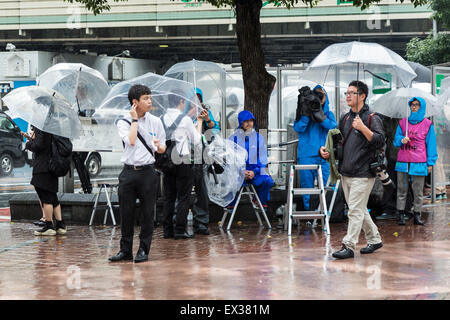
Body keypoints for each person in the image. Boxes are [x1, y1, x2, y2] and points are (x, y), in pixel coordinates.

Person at [319, 80, 384, 259]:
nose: (347, 95)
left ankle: (348, 245)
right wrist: (326, 151)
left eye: (352, 93)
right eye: (347, 93)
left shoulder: (372, 118)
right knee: (359, 209)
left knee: (354, 210)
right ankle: (375, 239)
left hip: (363, 173)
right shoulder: (345, 118)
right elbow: (339, 141)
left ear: (362, 96)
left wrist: (363, 128)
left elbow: (380, 140)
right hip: (346, 171)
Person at [109, 84, 166, 263]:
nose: (150, 101)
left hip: (148, 173)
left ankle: (143, 249)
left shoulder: (156, 121)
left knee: (148, 213)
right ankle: (125, 250)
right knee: (126, 214)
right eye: (145, 98)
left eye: (150, 97)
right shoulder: (123, 121)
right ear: (135, 102)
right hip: (128, 172)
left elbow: (163, 148)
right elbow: (131, 141)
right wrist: (134, 120)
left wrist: (158, 146)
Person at [162, 90, 204, 239]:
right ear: (180, 102)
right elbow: (197, 140)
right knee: (183, 197)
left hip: (166, 162)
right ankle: (180, 229)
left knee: (169, 197)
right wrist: (198, 123)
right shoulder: (185, 119)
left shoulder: (161, 119)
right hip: (182, 161)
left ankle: (167, 230)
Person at [394, 97, 438, 226]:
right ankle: (401, 214)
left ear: (422, 106)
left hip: (419, 161)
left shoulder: (427, 124)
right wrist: (402, 139)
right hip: (403, 160)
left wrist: (430, 162)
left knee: (418, 190)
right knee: (401, 189)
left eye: (417, 104)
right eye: (412, 104)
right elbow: (395, 140)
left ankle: (417, 214)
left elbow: (431, 144)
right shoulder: (403, 123)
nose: (414, 107)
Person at [293, 85, 337, 211]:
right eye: (316, 95)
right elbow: (298, 128)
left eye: (321, 95)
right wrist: (307, 115)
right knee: (307, 186)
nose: (319, 98)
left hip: (325, 156)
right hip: (306, 154)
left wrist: (321, 116)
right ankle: (310, 213)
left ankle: (327, 212)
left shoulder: (328, 114)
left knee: (328, 185)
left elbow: (333, 127)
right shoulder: (303, 112)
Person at [23, 126, 66, 236]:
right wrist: (32, 138)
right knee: (52, 196)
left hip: (43, 166)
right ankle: (60, 225)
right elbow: (46, 143)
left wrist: (28, 144)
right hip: (53, 166)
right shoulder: (54, 126)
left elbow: (40, 145)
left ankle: (49, 226)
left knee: (45, 196)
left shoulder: (41, 126)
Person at [227, 110, 274, 209]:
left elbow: (263, 159)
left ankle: (260, 201)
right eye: (246, 121)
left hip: (255, 172)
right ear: (241, 123)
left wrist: (254, 171)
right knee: (230, 180)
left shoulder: (259, 138)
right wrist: (241, 171)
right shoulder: (232, 139)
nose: (249, 123)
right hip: (238, 173)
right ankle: (231, 203)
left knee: (268, 181)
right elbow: (230, 159)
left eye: (251, 121)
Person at [189, 88, 219, 235]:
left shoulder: (205, 111)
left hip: (201, 154)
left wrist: (207, 120)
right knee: (183, 191)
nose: (196, 102)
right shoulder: (183, 114)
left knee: (202, 190)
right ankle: (178, 221)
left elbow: (214, 129)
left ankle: (201, 222)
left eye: (198, 98)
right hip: (184, 156)